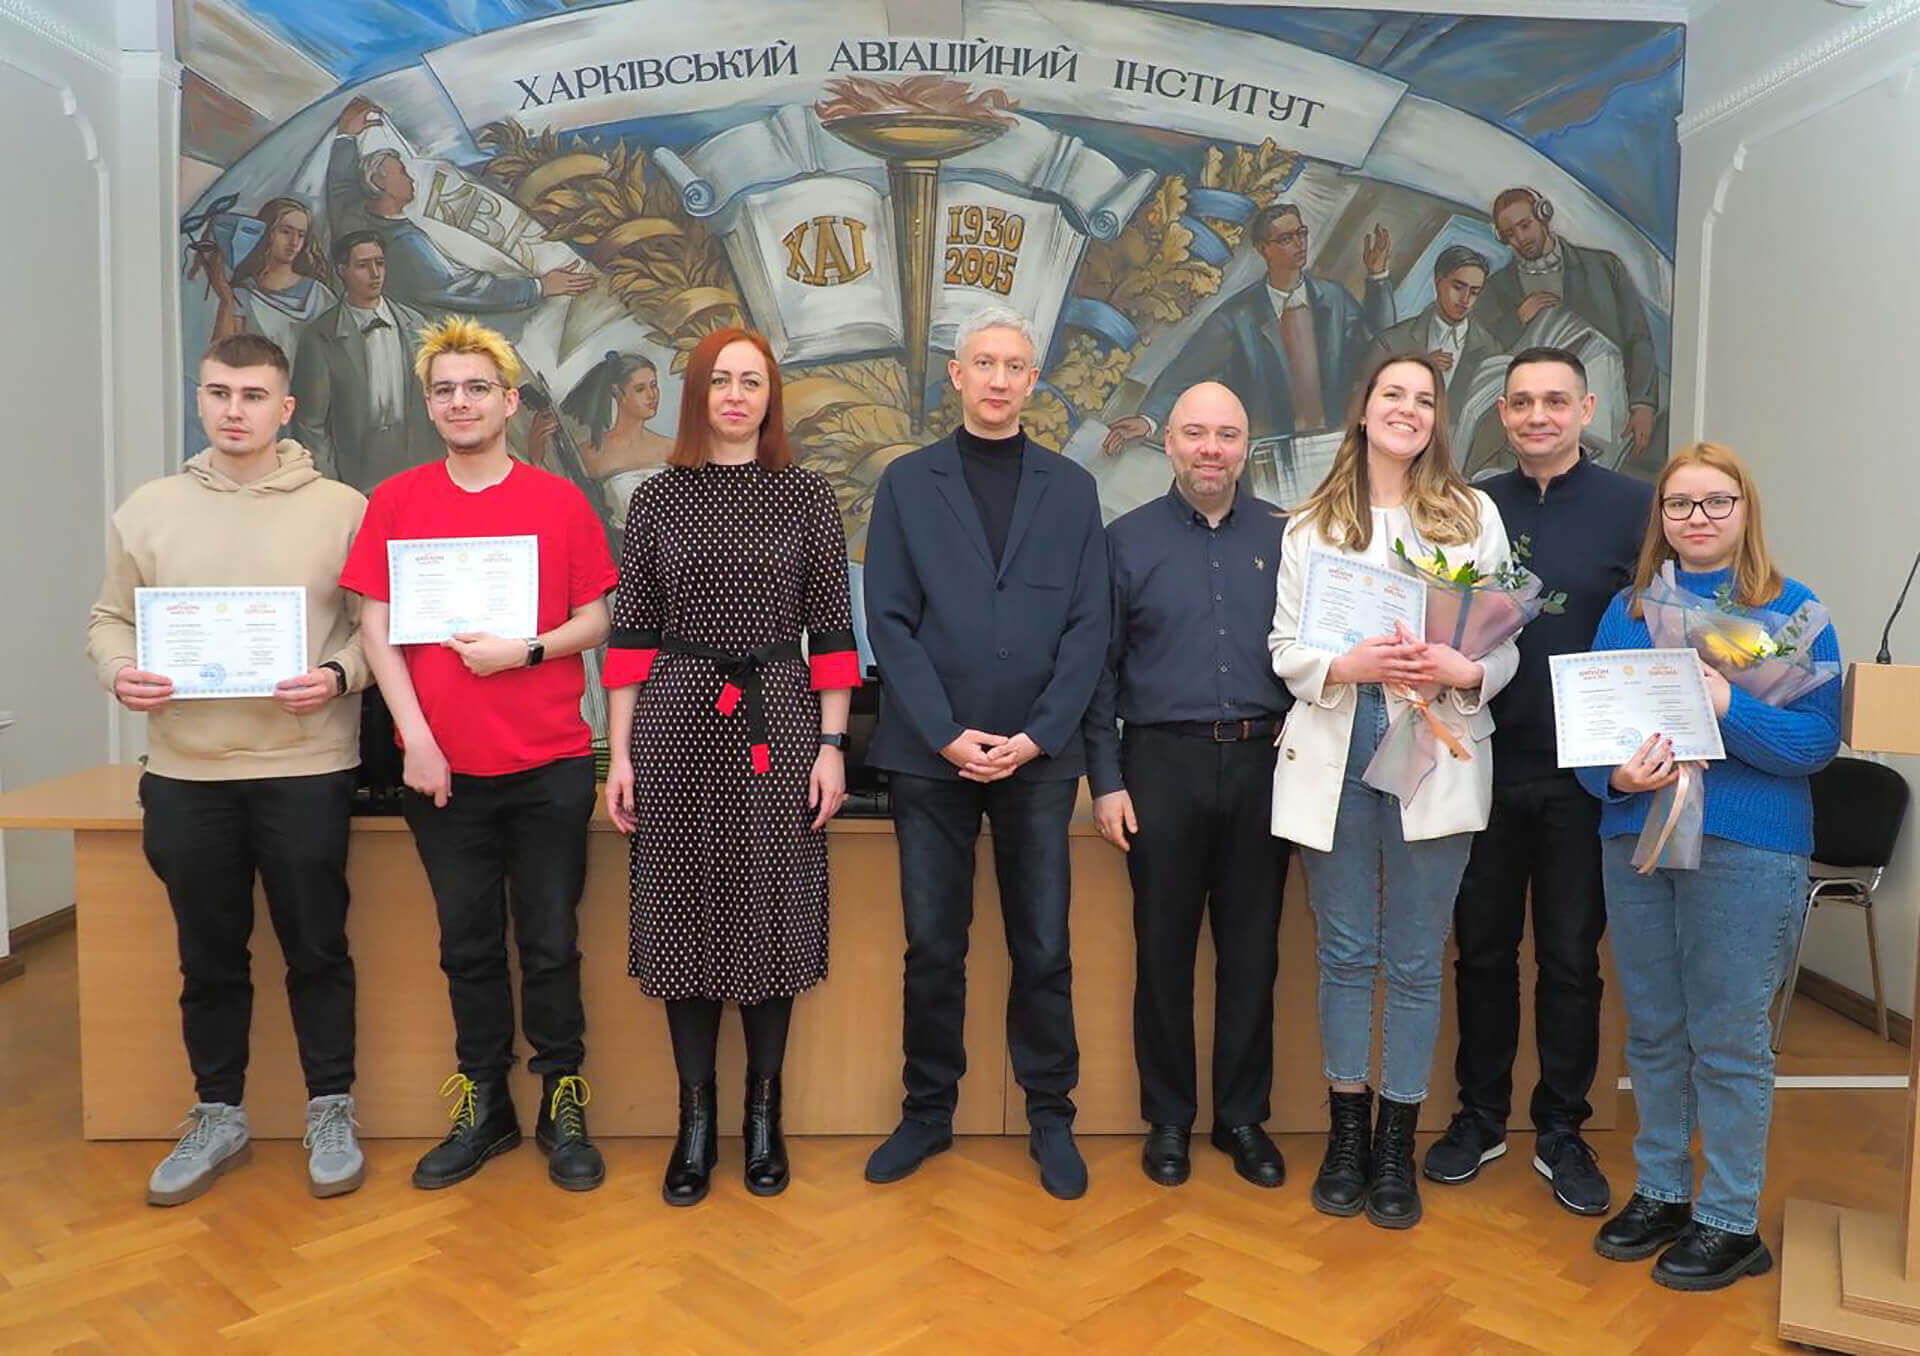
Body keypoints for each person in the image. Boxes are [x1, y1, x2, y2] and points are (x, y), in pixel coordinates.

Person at [86, 333, 370, 1205]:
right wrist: (118, 670)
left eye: (252, 396)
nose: (234, 410)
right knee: (207, 954)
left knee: (316, 947)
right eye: (219, 393)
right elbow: (109, 618)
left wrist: (337, 675)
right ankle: (219, 1112)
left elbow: (378, 631)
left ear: (286, 409)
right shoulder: (149, 509)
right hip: (187, 771)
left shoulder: (342, 509)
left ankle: (331, 1106)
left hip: (307, 764)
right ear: (200, 400)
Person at [340, 316, 617, 1193]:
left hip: (549, 766)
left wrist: (525, 651)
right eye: (445, 390)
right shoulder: (397, 502)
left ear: (508, 401)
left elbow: (598, 620)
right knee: (466, 945)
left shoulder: (558, 502)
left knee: (550, 942)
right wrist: (416, 740)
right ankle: (485, 1103)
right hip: (442, 772)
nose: (461, 402)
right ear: (431, 406)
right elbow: (375, 629)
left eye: (477, 388)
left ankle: (562, 1100)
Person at [602, 328, 859, 1206]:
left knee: (769, 909)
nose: (737, 396)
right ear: (698, 395)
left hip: (779, 721)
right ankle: (695, 1121)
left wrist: (832, 747)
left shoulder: (806, 496)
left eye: (752, 381)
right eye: (721, 381)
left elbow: (833, 635)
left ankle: (762, 1116)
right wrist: (620, 755)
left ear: (770, 397)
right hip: (675, 720)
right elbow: (630, 637)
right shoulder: (656, 498)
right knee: (681, 910)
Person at [862, 305, 1108, 1200]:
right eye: (984, 363)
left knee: (1043, 945)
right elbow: (888, 620)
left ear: (1032, 381)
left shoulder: (1072, 489)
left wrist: (1040, 735)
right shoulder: (906, 482)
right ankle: (927, 1112)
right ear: (956, 376)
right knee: (934, 946)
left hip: (1039, 759)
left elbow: (1090, 626)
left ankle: (1051, 1115)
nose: (1000, 379)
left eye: (1015, 366)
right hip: (932, 757)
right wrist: (945, 732)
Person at [1580, 442, 1840, 1291]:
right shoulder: (1627, 610)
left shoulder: (1795, 613)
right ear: (1659, 516)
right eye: (1680, 503)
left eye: (1716, 501)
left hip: (1748, 847)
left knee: (1728, 1039)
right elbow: (1592, 738)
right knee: (1653, 1030)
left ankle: (1729, 1219)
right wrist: (1616, 778)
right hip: (1640, 840)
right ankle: (1663, 1191)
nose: (1697, 517)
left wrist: (1727, 705)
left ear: (1744, 509)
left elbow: (1813, 745)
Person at [1269, 352, 1519, 1230]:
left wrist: (1466, 669)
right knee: (1344, 954)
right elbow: (1284, 649)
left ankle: (1394, 1147)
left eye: (1424, 399)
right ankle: (1347, 1133)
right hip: (1338, 744)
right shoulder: (1311, 524)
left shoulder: (1472, 515)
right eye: (1392, 395)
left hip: (1435, 744)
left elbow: (1503, 643)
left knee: (1414, 960)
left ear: (1437, 418)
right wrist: (1346, 665)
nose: (1408, 410)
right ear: (1364, 409)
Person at [1424, 347, 1652, 1216]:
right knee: (1480, 952)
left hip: (1586, 780)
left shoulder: (1635, 508)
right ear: (1503, 413)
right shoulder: (1473, 505)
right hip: (1481, 761)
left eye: (1555, 401)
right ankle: (1479, 1116)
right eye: (1521, 402)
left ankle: (1562, 1128)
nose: (1537, 417)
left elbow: (1659, 632)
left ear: (1587, 410)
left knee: (1569, 961)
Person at [1084, 381, 1293, 1190]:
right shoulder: (1124, 541)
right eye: (1196, 433)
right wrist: (1108, 781)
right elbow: (1098, 674)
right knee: (1163, 951)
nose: (1211, 449)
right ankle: (1167, 1118)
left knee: (1253, 953)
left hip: (1264, 767)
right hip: (1158, 768)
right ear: (1168, 443)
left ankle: (1241, 1117)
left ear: (1246, 447)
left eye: (1226, 435)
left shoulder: (1287, 537)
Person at [1104, 203, 1394, 451]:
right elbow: (1185, 371)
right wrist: (1149, 419)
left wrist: (1378, 278)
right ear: (1263, 249)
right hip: (1266, 452)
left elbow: (1379, 348)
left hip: (1336, 445)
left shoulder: (1334, 299)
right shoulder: (1237, 316)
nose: (1300, 244)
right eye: (1286, 239)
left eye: (1302, 233)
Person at [324, 97, 592, 322]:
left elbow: (340, 189)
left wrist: (346, 137)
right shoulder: (406, 245)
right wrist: (539, 287)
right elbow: (465, 289)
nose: (412, 178)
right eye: (402, 173)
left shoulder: (355, 216)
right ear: (380, 182)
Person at [1478, 187, 1660, 462]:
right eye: (1510, 234)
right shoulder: (1498, 287)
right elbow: (1483, 353)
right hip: (1531, 427)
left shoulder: (1603, 267)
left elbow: (1637, 336)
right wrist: (1518, 319)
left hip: (1602, 409)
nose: (1520, 239)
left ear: (1543, 215)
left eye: (1525, 226)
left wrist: (1643, 403)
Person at [290, 231, 439, 491]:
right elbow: (310, 425)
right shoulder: (321, 336)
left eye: (379, 263)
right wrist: (330, 487)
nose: (374, 273)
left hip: (418, 469)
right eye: (362, 265)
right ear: (342, 271)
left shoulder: (417, 325)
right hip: (356, 476)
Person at [198, 197, 336, 362]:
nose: (294, 242)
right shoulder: (243, 295)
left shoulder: (320, 295)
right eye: (285, 231)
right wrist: (226, 300)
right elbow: (223, 359)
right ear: (265, 233)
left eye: (301, 235)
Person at [1365, 245, 1498, 406]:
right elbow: (1364, 397)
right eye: (1458, 287)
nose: (1465, 299)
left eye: (1474, 292)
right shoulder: (1390, 342)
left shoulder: (1490, 350)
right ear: (1438, 281)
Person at [557, 350, 674, 528]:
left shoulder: (671, 448)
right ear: (618, 392)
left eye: (654, 385)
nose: (652, 395)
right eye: (640, 389)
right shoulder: (590, 454)